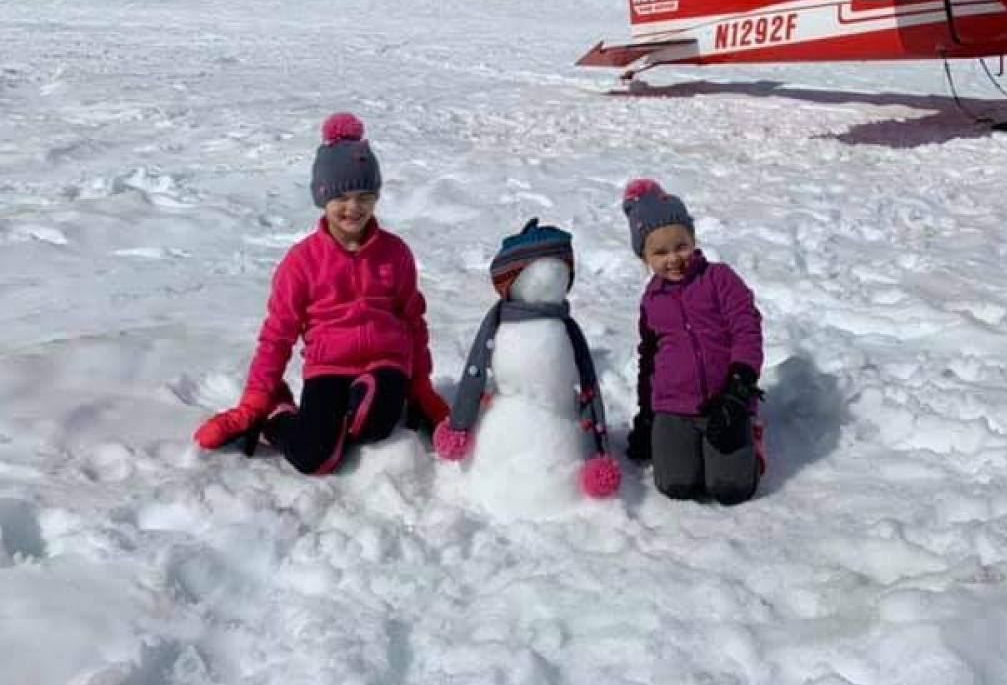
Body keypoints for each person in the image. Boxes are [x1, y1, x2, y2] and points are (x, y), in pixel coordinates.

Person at [193, 113, 449, 474]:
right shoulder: (302, 262)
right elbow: (277, 336)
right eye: (342, 197)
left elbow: (413, 322)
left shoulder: (396, 253)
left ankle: (365, 406)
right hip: (329, 369)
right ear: (322, 198)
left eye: (364, 196)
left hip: (386, 366)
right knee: (314, 459)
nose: (353, 208)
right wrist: (255, 401)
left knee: (376, 410)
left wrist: (421, 388)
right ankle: (277, 416)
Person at [432, 218, 622, 498]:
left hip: (558, 423)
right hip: (507, 423)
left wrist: (597, 452)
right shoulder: (500, 323)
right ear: (512, 280)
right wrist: (460, 426)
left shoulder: (564, 326)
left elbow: (588, 385)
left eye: (560, 273)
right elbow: (475, 372)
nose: (551, 282)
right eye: (539, 275)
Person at [623, 178, 765, 505]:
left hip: (724, 399)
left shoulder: (719, 279)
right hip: (674, 406)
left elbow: (747, 326)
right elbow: (650, 358)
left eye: (681, 245)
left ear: (693, 239)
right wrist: (647, 414)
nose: (673, 258)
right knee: (675, 485)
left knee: (731, 489)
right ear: (644, 257)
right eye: (660, 252)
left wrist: (740, 385)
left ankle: (750, 440)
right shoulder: (652, 299)